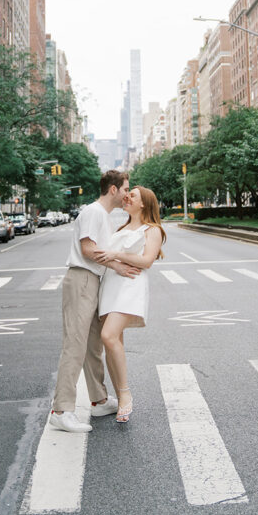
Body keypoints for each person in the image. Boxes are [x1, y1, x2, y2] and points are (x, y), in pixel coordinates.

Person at [49, 170, 139, 433]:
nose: (126, 194)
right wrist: (117, 265)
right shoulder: (93, 212)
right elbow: (88, 249)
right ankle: (61, 410)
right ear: (113, 189)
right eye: (125, 189)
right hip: (81, 279)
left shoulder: (104, 216)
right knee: (75, 344)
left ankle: (98, 400)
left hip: (92, 281)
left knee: (92, 344)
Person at [95, 185, 165, 423]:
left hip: (130, 286)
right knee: (114, 342)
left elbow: (146, 261)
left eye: (132, 195)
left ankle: (125, 395)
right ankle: (119, 393)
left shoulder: (152, 229)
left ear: (144, 203)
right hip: (111, 285)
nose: (127, 197)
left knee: (109, 336)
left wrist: (116, 255)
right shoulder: (122, 227)